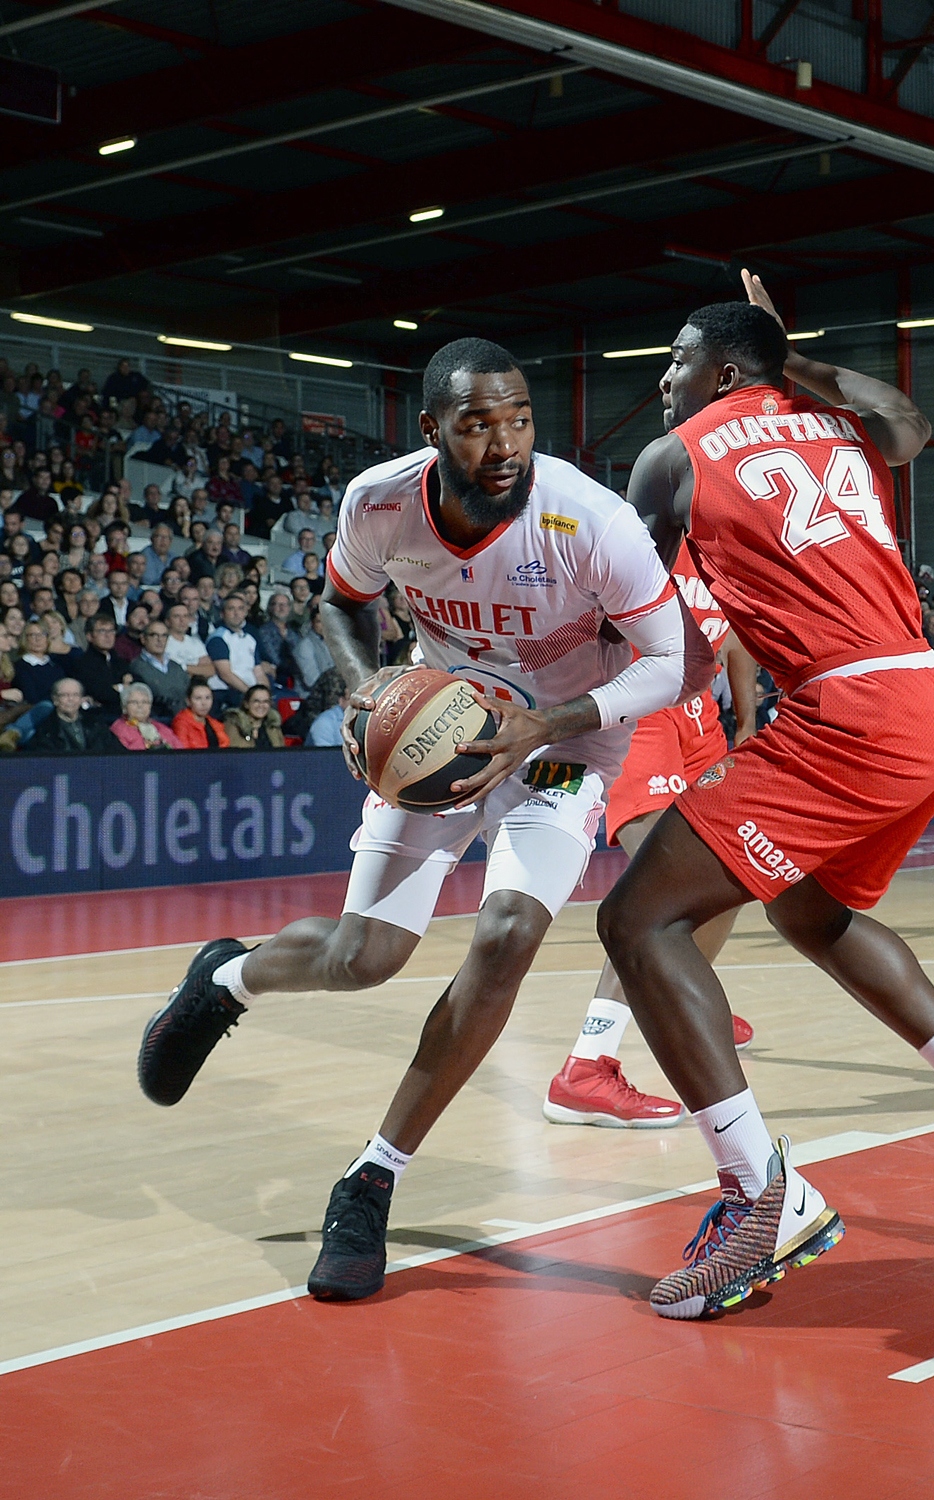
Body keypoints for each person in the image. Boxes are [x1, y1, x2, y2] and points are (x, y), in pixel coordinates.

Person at [137, 335, 712, 1306]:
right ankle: (226, 977)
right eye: (477, 422)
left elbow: (675, 662)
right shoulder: (378, 502)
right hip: (442, 723)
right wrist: (368, 696)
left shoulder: (589, 520)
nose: (502, 442)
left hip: (565, 743)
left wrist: (549, 721)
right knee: (365, 957)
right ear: (432, 429)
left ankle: (369, 1180)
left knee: (506, 935)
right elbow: (339, 605)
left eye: (518, 418)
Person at [594, 282, 934, 1321]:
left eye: (674, 360)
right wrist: (793, 363)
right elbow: (911, 423)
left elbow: (621, 619)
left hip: (847, 714)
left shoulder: (670, 459)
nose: (660, 378)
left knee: (637, 917)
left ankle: (759, 1195)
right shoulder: (835, 430)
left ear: (721, 373)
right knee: (807, 909)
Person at [543, 549, 759, 1127]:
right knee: (668, 888)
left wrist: (746, 722)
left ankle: (690, 996)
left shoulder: (736, 545)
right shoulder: (648, 528)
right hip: (641, 713)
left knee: (736, 875)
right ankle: (586, 1067)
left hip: (701, 723)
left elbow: (734, 637)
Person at [205, 591, 271, 706]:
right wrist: (252, 695)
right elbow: (226, 674)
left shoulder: (249, 639)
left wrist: (265, 695)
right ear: (222, 613)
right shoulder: (218, 638)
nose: (236, 613)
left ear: (245, 612)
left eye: (240, 609)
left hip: (251, 692)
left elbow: (259, 672)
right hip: (228, 693)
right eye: (231, 609)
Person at [24, 676, 120, 753]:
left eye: (75, 695)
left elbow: (117, 752)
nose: (71, 699)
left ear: (81, 699)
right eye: (65, 695)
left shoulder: (97, 724)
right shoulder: (46, 731)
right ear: (55, 700)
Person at [131, 620, 191, 720]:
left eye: (164, 636)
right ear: (143, 639)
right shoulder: (137, 667)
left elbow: (189, 693)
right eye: (154, 635)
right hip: (157, 720)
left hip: (184, 719)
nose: (160, 640)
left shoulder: (176, 666)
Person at [111, 683, 182, 750]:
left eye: (144, 702)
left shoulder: (161, 728)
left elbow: (180, 752)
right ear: (125, 707)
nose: (140, 706)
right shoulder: (119, 729)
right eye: (134, 702)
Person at [223, 682, 284, 748]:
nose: (261, 705)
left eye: (265, 701)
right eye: (256, 701)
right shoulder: (234, 726)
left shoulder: (273, 727)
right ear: (246, 704)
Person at [172, 681, 230, 749]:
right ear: (188, 701)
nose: (204, 703)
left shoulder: (215, 724)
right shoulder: (181, 723)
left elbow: (225, 746)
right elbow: (182, 751)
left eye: (208, 698)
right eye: (198, 698)